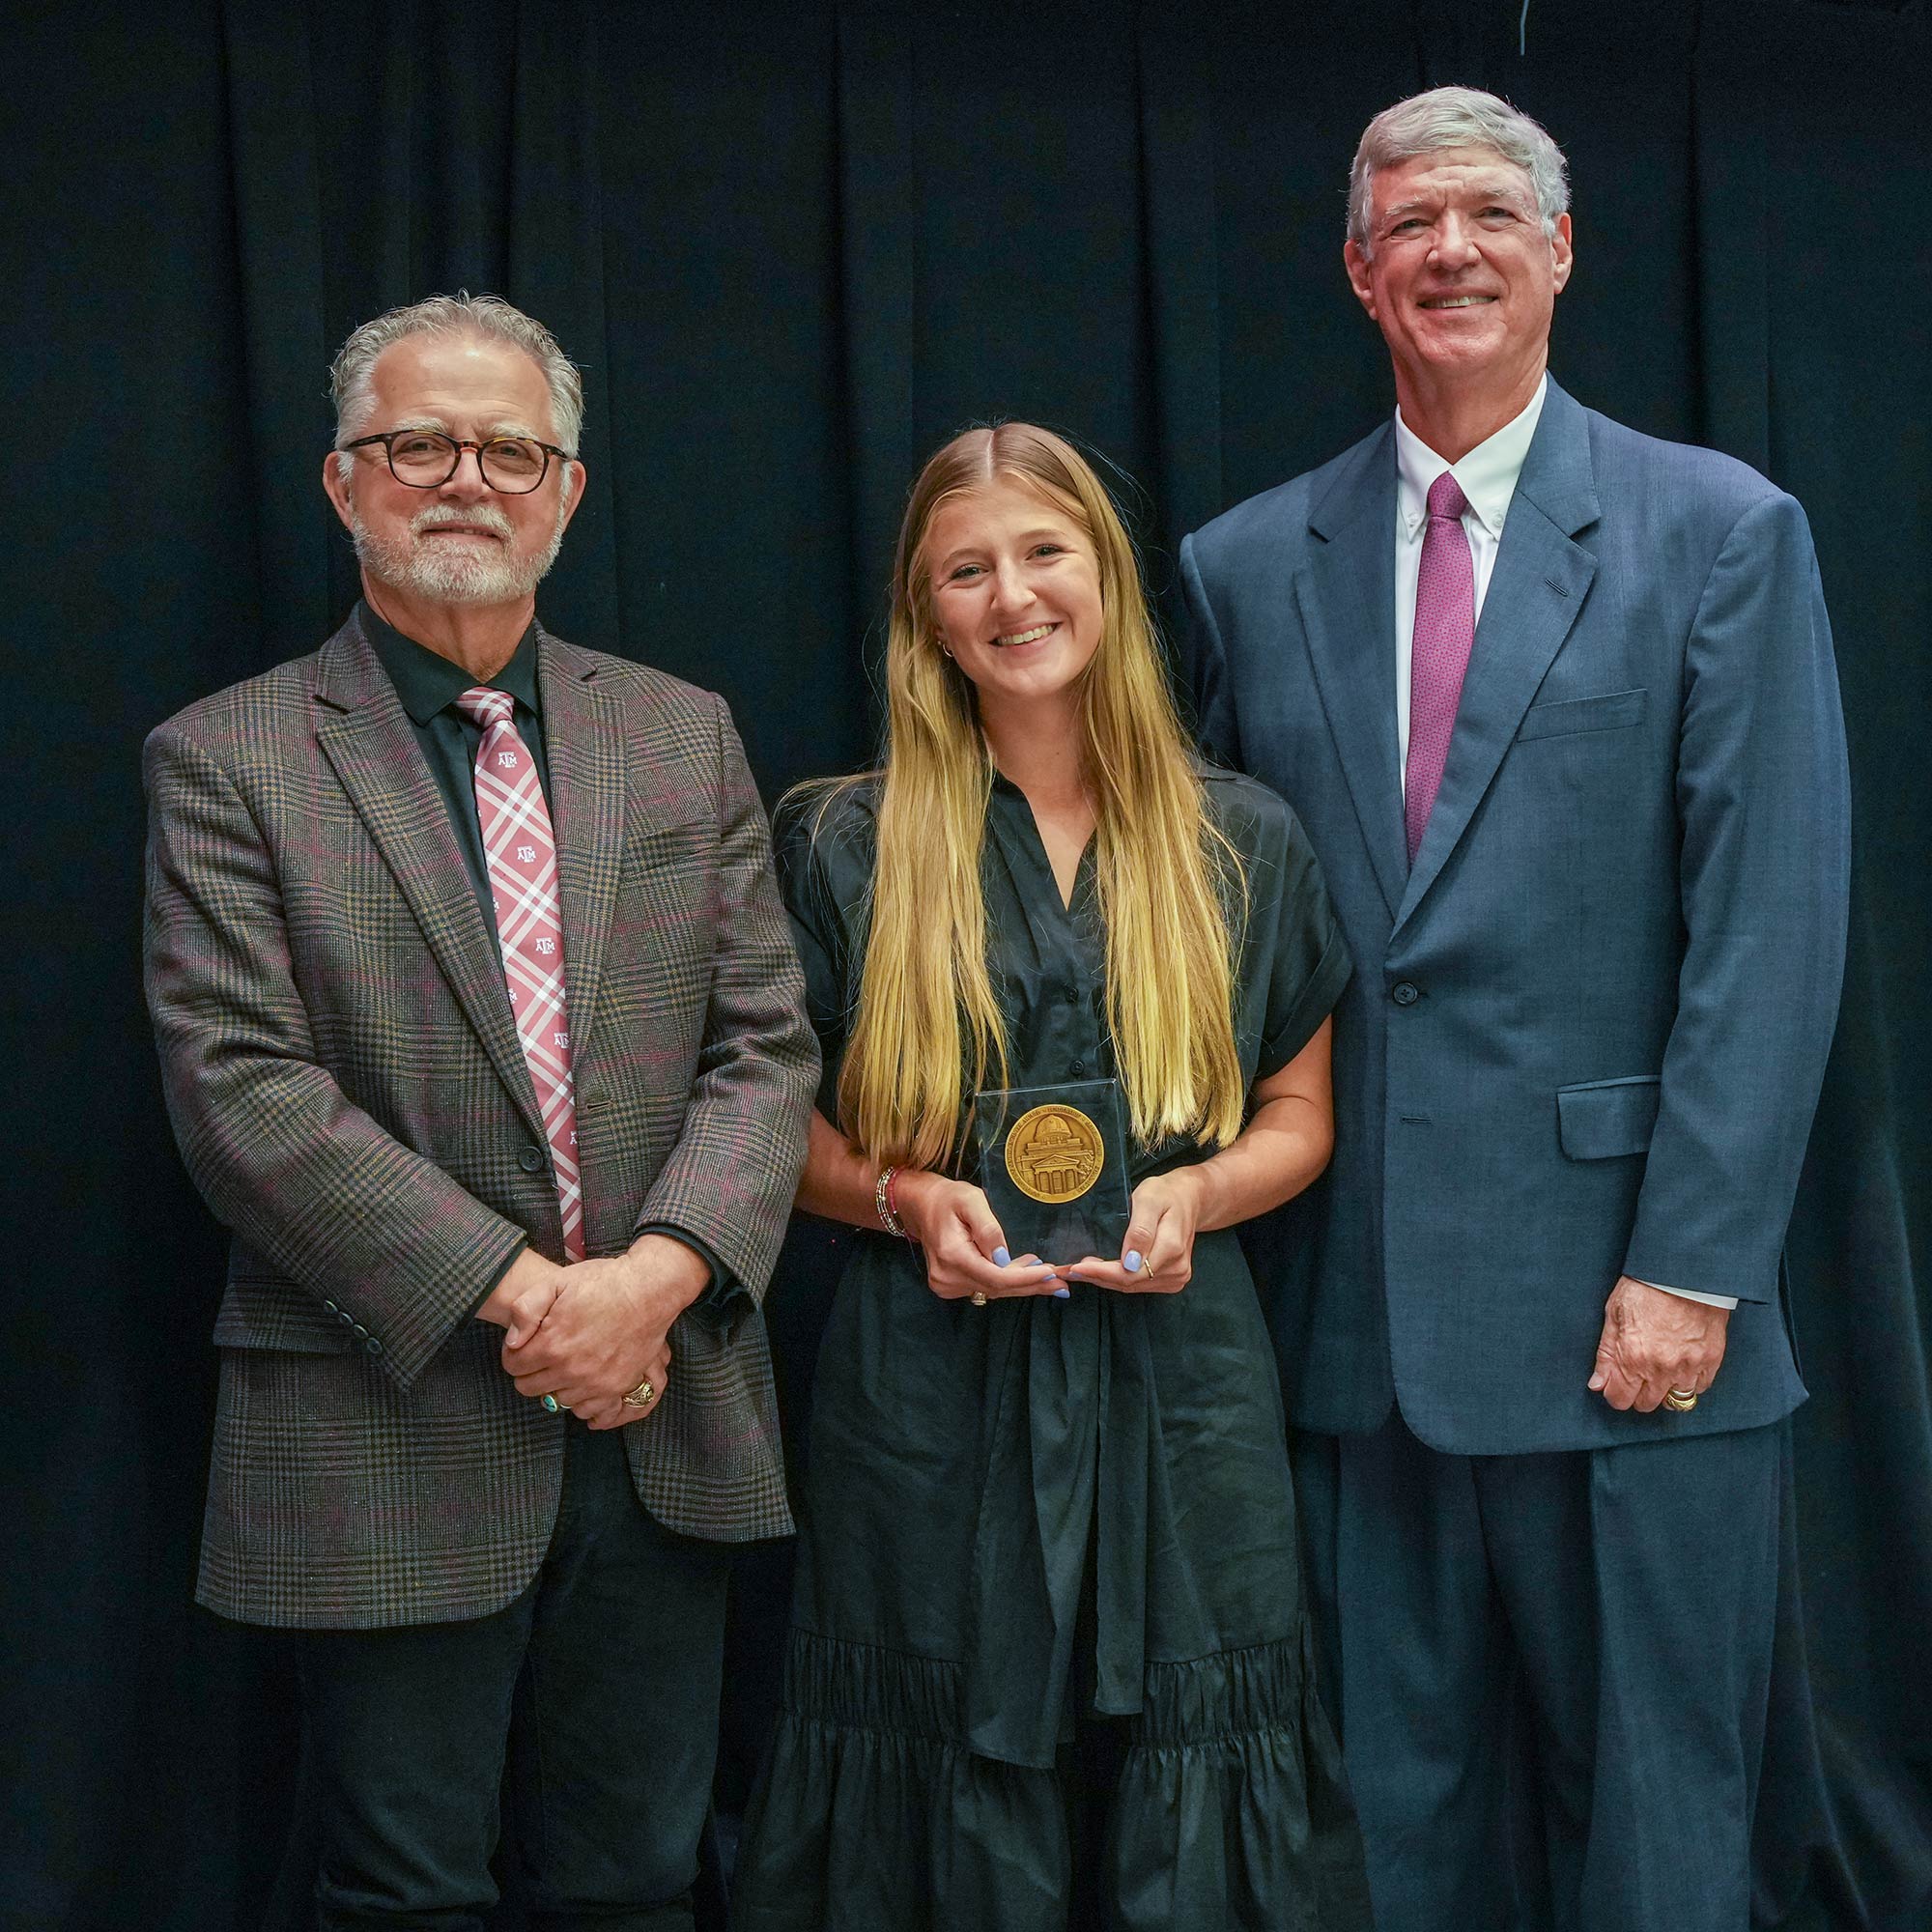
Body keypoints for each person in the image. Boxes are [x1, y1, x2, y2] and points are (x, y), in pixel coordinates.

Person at [1182, 86, 1850, 1932]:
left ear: (1563, 252)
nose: (1450, 249)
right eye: (1410, 223)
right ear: (1355, 269)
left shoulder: (1721, 532)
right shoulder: (1246, 567)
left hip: (1630, 1315)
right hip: (1351, 1321)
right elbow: (1235, 937)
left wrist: (1695, 1266)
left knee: (1654, 1826)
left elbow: (1770, 929)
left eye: (1490, 214)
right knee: (1387, 1833)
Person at [143, 293, 817, 1931]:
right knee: (400, 1889)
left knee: (646, 1878)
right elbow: (245, 1091)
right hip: (388, 1407)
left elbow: (767, 1050)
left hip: (665, 1406)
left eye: (511, 449)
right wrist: (538, 1304)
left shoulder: (681, 734)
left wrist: (649, 1285)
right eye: (419, 444)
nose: (467, 479)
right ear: (340, 483)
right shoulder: (226, 757)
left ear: (569, 490)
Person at [731, 424, 1372, 1931]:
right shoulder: (842, 844)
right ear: (925, 612)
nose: (1012, 595)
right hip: (925, 1379)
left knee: (1205, 1738)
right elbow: (773, 1130)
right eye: (968, 569)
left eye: (1044, 554)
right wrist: (904, 1204)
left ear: (1109, 581)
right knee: (926, 1731)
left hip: (1179, 1366)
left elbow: (1300, 1113)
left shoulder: (1242, 838)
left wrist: (1197, 1200)